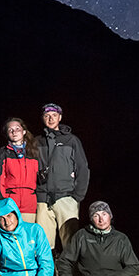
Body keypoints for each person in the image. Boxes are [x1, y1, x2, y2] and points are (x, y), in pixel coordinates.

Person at [35, 103, 89, 251]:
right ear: (42, 118)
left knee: (71, 242)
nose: (50, 118)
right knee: (44, 244)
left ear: (60, 117)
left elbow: (83, 168)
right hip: (43, 198)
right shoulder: (36, 141)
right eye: (47, 116)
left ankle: (71, 274)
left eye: (54, 115)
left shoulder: (71, 140)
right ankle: (48, 274)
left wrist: (78, 195)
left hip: (66, 197)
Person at [0, 117, 38, 221]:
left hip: (30, 204)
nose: (14, 132)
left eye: (17, 129)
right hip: (10, 204)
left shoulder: (34, 152)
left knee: (27, 235)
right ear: (7, 134)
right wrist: (2, 203)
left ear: (24, 131)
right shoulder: (3, 154)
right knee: (11, 236)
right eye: (10, 130)